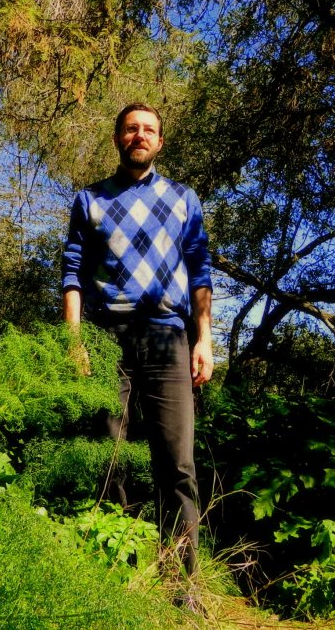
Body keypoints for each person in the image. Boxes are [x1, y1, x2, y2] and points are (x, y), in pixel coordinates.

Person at [61, 102, 213, 581]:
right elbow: (72, 273)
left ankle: (181, 581)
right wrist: (74, 340)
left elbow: (200, 272)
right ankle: (115, 575)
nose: (139, 135)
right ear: (117, 138)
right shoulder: (90, 200)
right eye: (131, 128)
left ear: (160, 142)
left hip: (168, 337)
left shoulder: (183, 198)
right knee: (109, 457)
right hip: (107, 338)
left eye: (148, 130)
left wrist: (204, 339)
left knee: (177, 463)